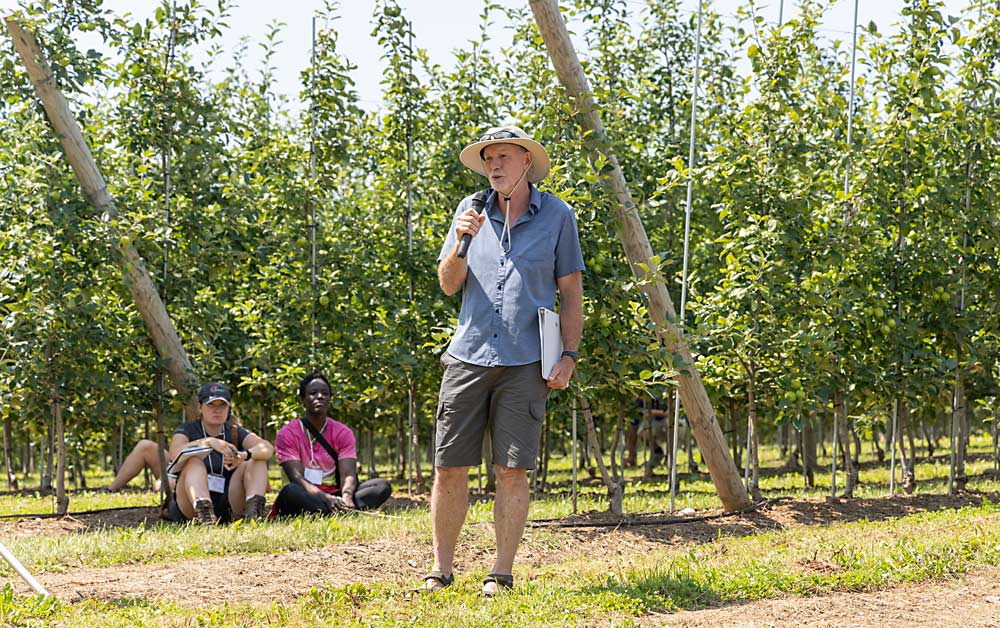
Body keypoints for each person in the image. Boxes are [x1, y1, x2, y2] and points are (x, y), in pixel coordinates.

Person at [414, 125, 584, 597]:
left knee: (511, 469)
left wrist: (568, 356)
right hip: (467, 356)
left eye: (504, 157)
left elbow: (571, 293)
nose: (494, 165)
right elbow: (449, 284)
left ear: (526, 162)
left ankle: (501, 572)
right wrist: (460, 242)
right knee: (449, 466)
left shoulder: (557, 217)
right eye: (488, 158)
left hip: (526, 361)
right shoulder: (469, 212)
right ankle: (440, 569)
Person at [271, 373, 392, 516]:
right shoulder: (288, 433)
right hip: (307, 494)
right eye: (313, 393)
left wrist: (346, 497)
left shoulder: (342, 432)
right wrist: (326, 498)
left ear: (330, 399)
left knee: (381, 486)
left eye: (325, 393)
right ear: (303, 399)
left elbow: (348, 473)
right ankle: (335, 512)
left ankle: (337, 510)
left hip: (336, 494)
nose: (320, 396)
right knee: (290, 492)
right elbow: (296, 477)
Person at [162, 382, 273, 524]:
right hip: (190, 503)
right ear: (200, 407)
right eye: (211, 405)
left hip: (228, 500)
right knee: (193, 462)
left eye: (222, 405)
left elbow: (267, 448)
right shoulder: (187, 429)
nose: (217, 410)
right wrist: (208, 442)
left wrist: (244, 455)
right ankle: (205, 515)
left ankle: (254, 514)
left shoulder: (234, 431)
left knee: (257, 459)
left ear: (229, 408)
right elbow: (174, 452)